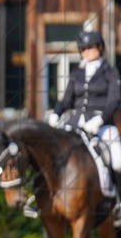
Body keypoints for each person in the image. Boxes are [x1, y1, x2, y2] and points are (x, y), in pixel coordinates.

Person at [49, 29, 121, 178]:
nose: (86, 51)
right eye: (83, 49)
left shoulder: (110, 72)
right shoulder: (77, 73)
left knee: (118, 161)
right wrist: (55, 113)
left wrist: (100, 120)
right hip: (76, 123)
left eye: (90, 47)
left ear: (100, 47)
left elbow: (114, 101)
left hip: (102, 125)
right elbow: (66, 99)